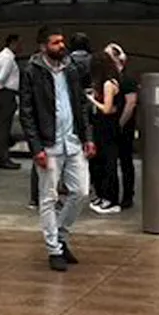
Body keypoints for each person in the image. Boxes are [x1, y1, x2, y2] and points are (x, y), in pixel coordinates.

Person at [20, 25, 95, 272]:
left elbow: (81, 104)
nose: (61, 46)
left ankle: (61, 236)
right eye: (55, 43)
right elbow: (27, 112)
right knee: (49, 197)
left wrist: (88, 136)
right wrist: (36, 147)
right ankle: (54, 248)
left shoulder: (72, 68)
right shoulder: (32, 71)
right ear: (43, 47)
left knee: (81, 191)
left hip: (72, 140)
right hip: (49, 143)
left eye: (62, 41)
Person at [87, 50, 124, 215]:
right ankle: (103, 195)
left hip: (108, 127)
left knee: (109, 163)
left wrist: (91, 99)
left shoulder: (109, 84)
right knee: (100, 162)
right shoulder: (105, 83)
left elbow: (107, 109)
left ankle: (111, 199)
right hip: (102, 127)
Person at [106, 43, 138, 209]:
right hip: (112, 125)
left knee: (125, 161)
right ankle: (112, 194)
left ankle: (127, 195)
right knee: (112, 162)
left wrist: (119, 123)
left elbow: (131, 103)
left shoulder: (127, 80)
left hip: (123, 127)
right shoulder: (108, 79)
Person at [0, 34, 21, 170]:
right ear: (12, 43)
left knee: (2, 126)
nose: (20, 47)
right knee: (4, 127)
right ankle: (4, 158)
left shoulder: (0, 56)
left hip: (2, 92)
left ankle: (4, 157)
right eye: (18, 44)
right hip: (7, 93)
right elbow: (2, 76)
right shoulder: (8, 58)